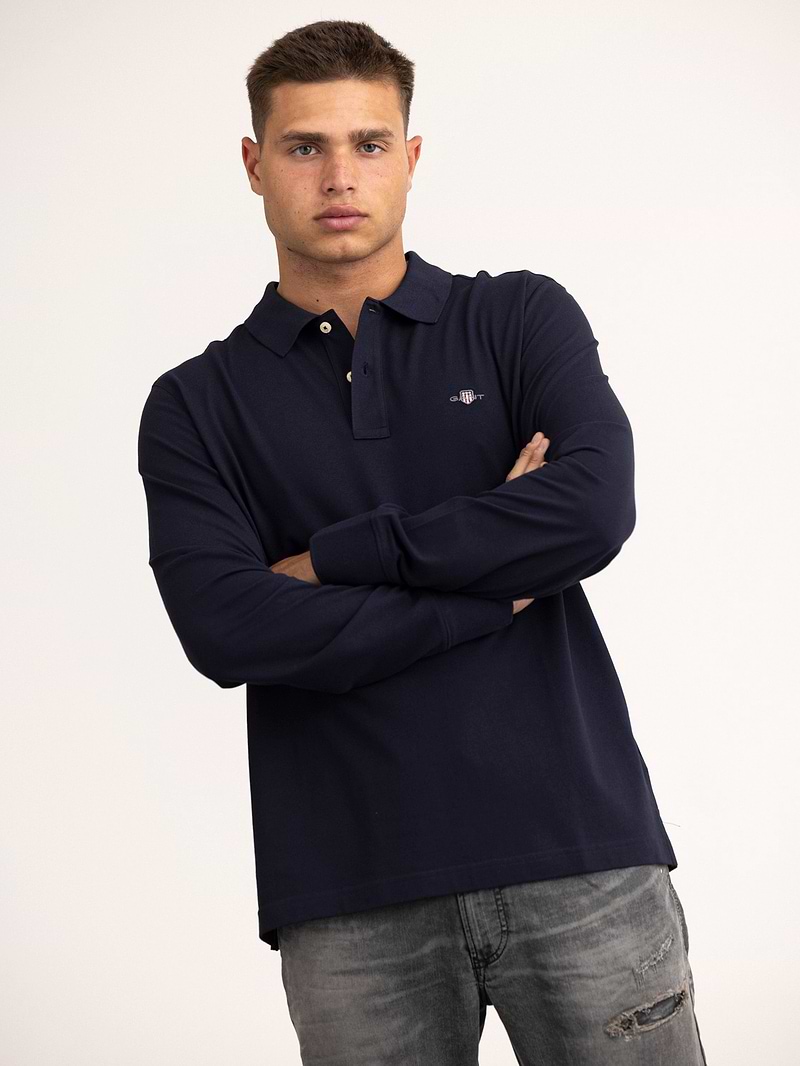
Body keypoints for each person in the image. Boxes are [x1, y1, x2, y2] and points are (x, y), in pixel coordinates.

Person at [137, 18, 708, 1065]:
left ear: (409, 157)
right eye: (304, 147)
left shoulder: (518, 318)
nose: (338, 176)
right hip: (347, 896)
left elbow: (590, 510)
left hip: (579, 857)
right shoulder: (195, 404)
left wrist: (335, 559)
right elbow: (229, 628)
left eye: (367, 143)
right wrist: (492, 590)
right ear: (254, 165)